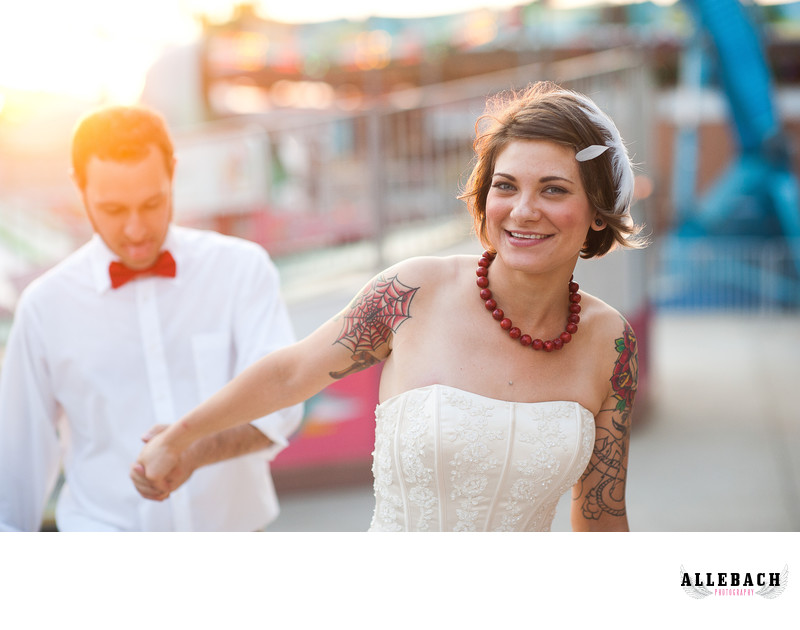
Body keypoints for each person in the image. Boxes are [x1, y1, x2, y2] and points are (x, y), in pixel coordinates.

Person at [136, 81, 646, 531]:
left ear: (598, 213)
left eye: (553, 190)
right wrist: (181, 439)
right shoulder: (410, 293)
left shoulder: (611, 344)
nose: (523, 211)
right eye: (505, 186)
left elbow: (601, 519)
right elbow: (291, 374)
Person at [0, 105, 303, 531]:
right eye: (114, 210)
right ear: (79, 189)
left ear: (172, 173)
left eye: (152, 203)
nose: (137, 229)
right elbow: (16, 465)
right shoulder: (44, 307)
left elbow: (281, 403)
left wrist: (195, 448)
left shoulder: (242, 270)